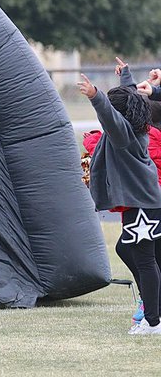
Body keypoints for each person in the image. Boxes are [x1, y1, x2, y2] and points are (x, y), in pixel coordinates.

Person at [78, 71, 161, 335]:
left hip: (141, 207)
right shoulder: (137, 129)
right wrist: (126, 77)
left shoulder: (123, 136)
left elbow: (112, 117)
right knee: (142, 257)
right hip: (143, 203)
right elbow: (133, 101)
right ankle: (154, 314)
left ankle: (153, 321)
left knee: (146, 262)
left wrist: (96, 97)